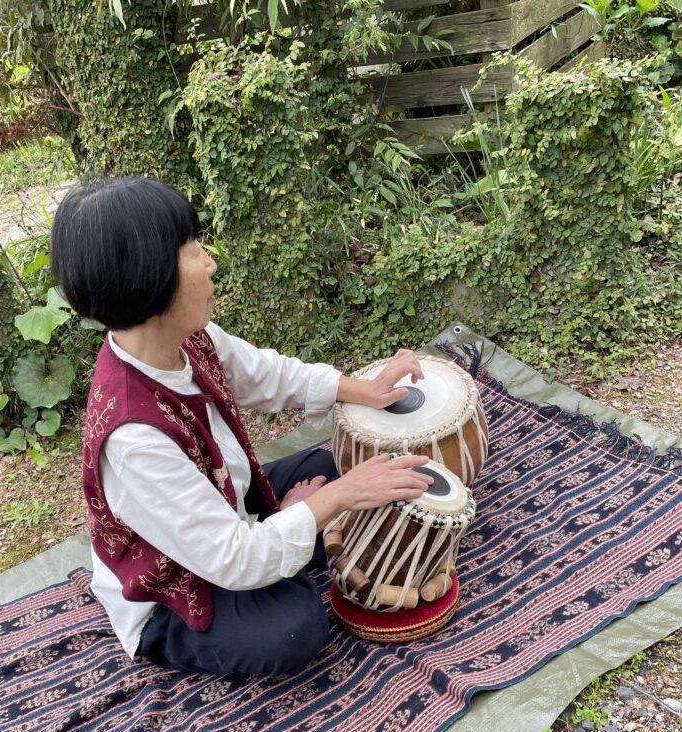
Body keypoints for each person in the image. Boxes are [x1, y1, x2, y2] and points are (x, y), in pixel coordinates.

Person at [51, 177, 429, 679]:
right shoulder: (132, 439)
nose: (210, 262)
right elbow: (231, 558)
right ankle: (295, 545)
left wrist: (363, 389)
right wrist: (326, 504)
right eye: (192, 250)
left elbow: (268, 374)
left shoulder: (189, 338)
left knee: (345, 457)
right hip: (174, 583)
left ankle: (296, 535)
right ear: (148, 277)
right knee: (292, 630)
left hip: (227, 504)